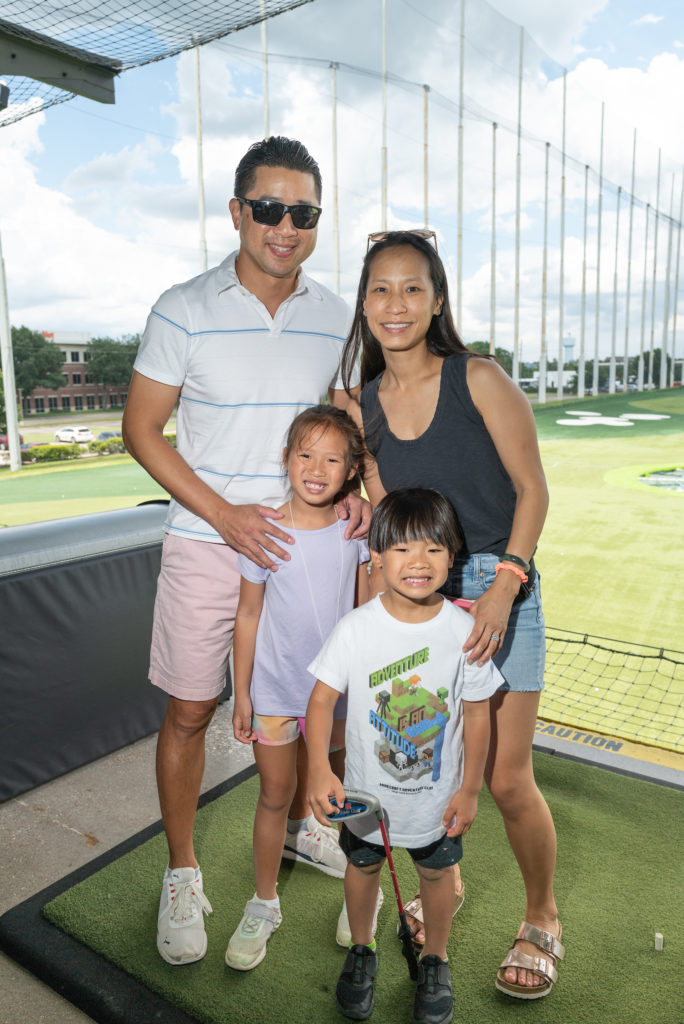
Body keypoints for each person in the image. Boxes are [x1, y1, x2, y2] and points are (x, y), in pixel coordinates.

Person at [121, 136, 369, 967]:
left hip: (307, 551)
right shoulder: (182, 306)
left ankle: (306, 826)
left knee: (320, 709)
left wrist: (362, 485)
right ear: (238, 212)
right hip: (205, 539)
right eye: (269, 208)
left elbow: (347, 422)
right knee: (191, 710)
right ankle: (183, 872)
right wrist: (225, 515)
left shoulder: (338, 314)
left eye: (303, 213)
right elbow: (139, 430)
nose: (285, 226)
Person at [338, 230, 564, 1000]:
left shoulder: (480, 378)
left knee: (503, 776)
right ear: (364, 304)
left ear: (436, 301)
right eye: (380, 289)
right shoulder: (361, 403)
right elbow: (379, 510)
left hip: (502, 581)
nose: (395, 304)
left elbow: (532, 490)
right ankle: (448, 880)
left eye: (412, 288)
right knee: (439, 761)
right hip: (416, 593)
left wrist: (505, 583)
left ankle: (543, 916)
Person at [306, 488, 501, 1024]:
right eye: (403, 549)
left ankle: (435, 957)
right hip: (364, 799)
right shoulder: (355, 629)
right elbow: (321, 700)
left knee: (437, 878)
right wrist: (320, 767)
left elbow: (478, 715)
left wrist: (470, 788)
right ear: (377, 556)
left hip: (437, 801)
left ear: (452, 557)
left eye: (434, 549)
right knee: (362, 866)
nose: (418, 562)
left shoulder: (467, 634)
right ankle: (362, 950)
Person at [225, 405, 371, 971]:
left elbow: (364, 609)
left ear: (351, 469)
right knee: (275, 794)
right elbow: (247, 617)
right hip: (276, 696)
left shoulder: (355, 530)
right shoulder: (262, 532)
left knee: (348, 796)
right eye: (305, 454)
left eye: (333, 458)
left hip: (337, 699)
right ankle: (264, 902)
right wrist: (241, 694)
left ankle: (362, 898)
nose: (316, 467)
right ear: (285, 460)